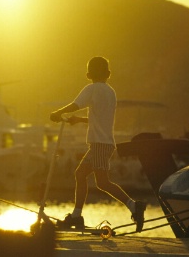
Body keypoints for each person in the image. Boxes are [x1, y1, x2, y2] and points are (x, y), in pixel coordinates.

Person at [50, 56, 146, 233]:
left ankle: (134, 206)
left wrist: (58, 112)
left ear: (89, 73)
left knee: (102, 182)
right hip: (102, 143)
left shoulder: (91, 89)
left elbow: (75, 104)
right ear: (108, 73)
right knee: (80, 174)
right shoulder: (110, 92)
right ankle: (77, 215)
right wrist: (79, 120)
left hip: (100, 143)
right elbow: (100, 118)